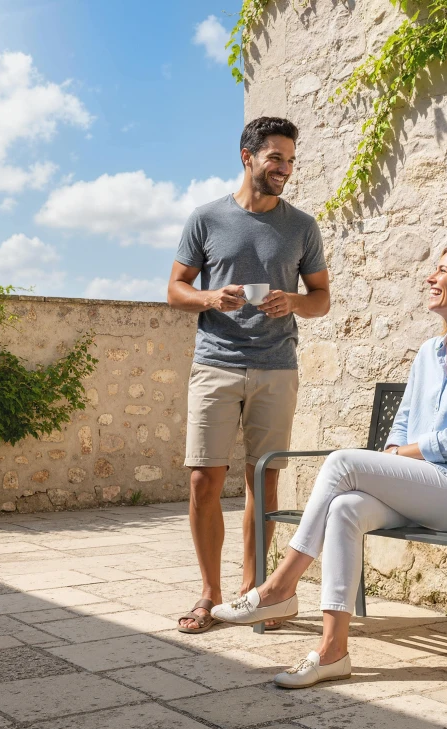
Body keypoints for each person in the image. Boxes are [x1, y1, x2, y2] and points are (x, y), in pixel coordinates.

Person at [212, 244, 447, 687]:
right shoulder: (429, 353)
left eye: (442, 271)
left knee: (342, 463)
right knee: (346, 509)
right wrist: (395, 449)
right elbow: (403, 421)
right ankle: (333, 649)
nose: (430, 279)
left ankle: (279, 587)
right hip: (428, 488)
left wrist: (396, 457)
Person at [167, 117, 330, 634]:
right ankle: (209, 595)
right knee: (202, 480)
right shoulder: (206, 218)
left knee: (264, 479)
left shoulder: (302, 226)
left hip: (276, 367)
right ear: (247, 156)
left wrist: (295, 303)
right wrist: (211, 297)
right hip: (215, 361)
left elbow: (322, 298)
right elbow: (175, 289)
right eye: (275, 158)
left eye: (289, 160)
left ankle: (254, 591)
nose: (284, 169)